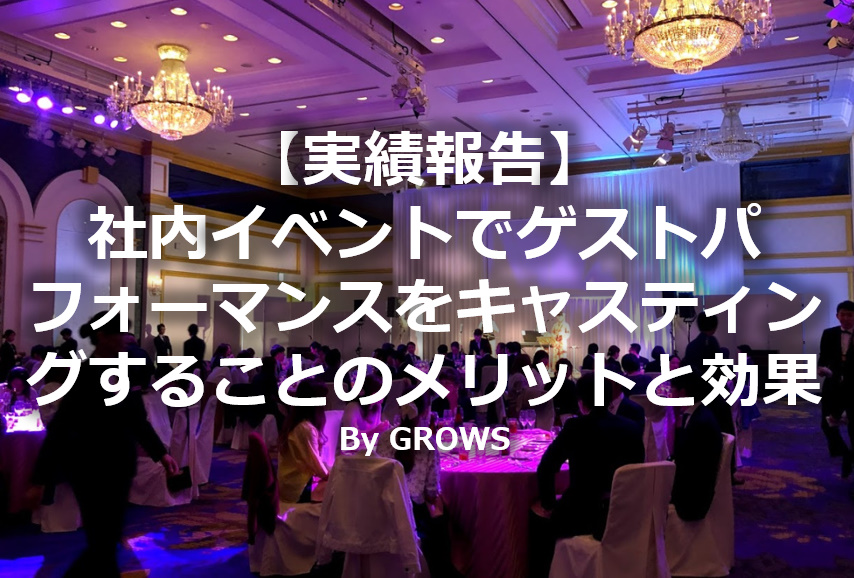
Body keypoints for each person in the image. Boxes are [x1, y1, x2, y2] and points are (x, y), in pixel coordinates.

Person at [30, 312, 178, 577]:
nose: (128, 339)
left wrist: (161, 454)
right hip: (91, 470)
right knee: (103, 544)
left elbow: (136, 419)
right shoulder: (86, 373)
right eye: (121, 333)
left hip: (118, 467)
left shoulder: (121, 370)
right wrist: (40, 478)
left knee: (105, 543)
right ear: (103, 336)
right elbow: (61, 425)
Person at [532, 373, 644, 576]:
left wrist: (549, 505)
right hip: (626, 514)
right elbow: (638, 471)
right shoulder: (632, 428)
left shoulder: (576, 427)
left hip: (583, 516)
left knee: (537, 519)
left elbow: (546, 467)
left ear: (581, 402)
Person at [375, 395, 459, 577]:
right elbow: (431, 491)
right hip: (412, 514)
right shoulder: (427, 442)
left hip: (383, 509)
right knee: (446, 516)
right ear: (424, 413)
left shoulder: (384, 437)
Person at [669, 373, 723, 521]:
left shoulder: (700, 424)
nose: (669, 396)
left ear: (682, 393)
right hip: (695, 487)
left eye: (672, 391)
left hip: (692, 501)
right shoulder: (698, 414)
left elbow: (686, 465)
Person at [277, 379, 329, 507]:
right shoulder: (306, 429)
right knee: (341, 488)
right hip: (297, 486)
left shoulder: (297, 422)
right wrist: (332, 475)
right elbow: (315, 464)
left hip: (291, 480)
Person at [818, 300, 854, 480]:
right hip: (833, 386)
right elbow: (823, 358)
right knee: (827, 424)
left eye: (850, 315)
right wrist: (822, 369)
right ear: (837, 316)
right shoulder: (829, 333)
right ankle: (846, 454)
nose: (846, 318)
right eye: (843, 314)